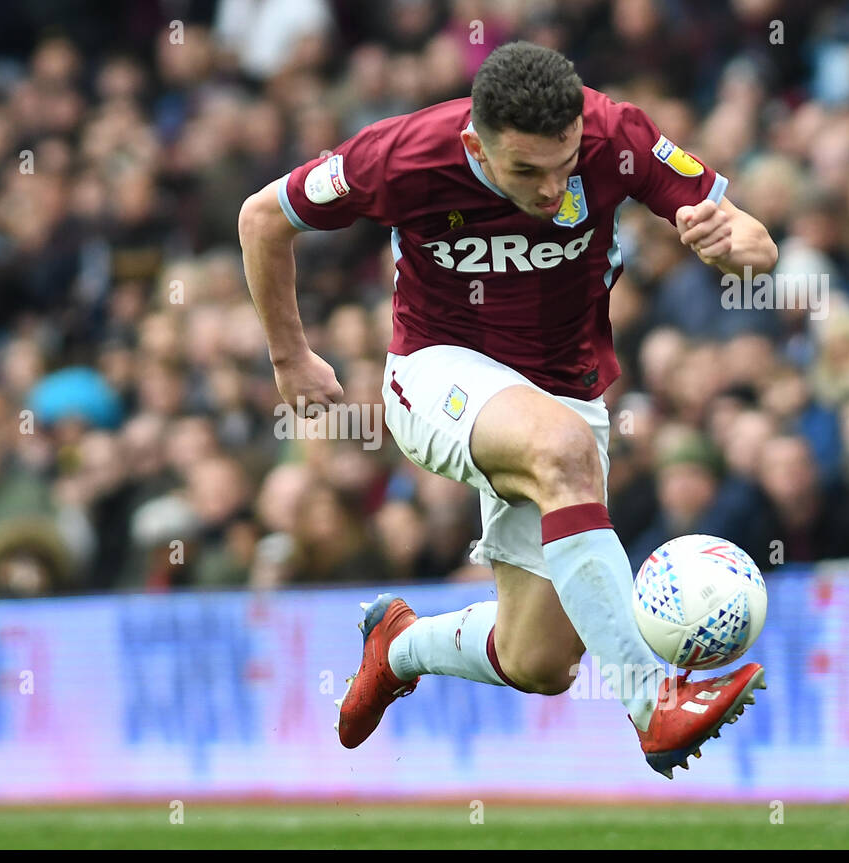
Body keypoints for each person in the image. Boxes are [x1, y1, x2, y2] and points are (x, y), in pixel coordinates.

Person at [239, 42, 778, 778]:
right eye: (526, 171)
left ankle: (398, 645)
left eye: (565, 164)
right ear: (474, 144)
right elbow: (263, 216)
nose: (554, 189)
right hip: (435, 372)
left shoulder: (616, 136)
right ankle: (654, 702)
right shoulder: (403, 156)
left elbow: (756, 239)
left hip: (563, 389)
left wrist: (734, 245)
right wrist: (289, 356)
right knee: (559, 449)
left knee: (542, 660)